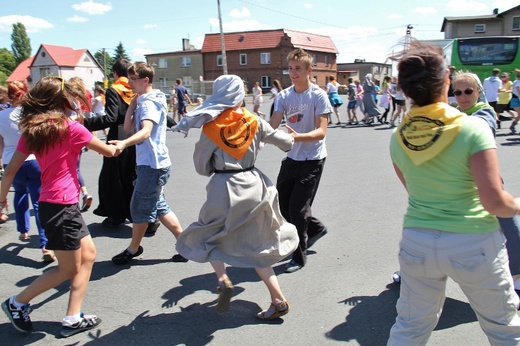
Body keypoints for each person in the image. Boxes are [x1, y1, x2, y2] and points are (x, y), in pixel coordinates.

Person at [387, 42, 520, 345]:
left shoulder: (399, 135)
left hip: (417, 240)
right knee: (505, 329)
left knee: (409, 328)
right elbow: (494, 201)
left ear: (406, 91)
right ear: (446, 81)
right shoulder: (472, 128)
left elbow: (413, 189)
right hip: (473, 240)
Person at [172, 74, 298, 319]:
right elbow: (285, 142)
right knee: (257, 245)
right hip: (254, 185)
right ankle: (278, 299)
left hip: (223, 186)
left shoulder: (211, 127)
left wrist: (214, 169)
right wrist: (290, 137)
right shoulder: (254, 120)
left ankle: (222, 278)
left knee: (208, 234)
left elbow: (201, 166)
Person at [1, 76, 117, 337]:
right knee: (67, 268)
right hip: (61, 207)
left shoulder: (34, 131)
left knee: (88, 256)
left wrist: (1, 201)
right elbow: (108, 152)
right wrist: (119, 144)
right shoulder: (72, 128)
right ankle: (17, 302)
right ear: (62, 101)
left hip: (55, 205)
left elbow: (9, 172)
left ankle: (73, 317)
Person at [110, 62, 184, 265]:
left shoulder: (149, 103)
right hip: (152, 164)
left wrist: (124, 143)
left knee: (139, 209)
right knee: (160, 207)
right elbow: (127, 125)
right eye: (129, 78)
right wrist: (134, 102)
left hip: (152, 165)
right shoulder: (144, 100)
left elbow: (145, 131)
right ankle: (186, 245)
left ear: (145, 80)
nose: (129, 82)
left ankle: (133, 248)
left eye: (133, 79)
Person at [452, 70, 520, 290]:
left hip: (483, 181)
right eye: (458, 92)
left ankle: (518, 276)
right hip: (458, 184)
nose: (463, 96)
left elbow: (481, 128)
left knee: (506, 222)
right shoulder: (454, 112)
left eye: (468, 91)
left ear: (479, 92)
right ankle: (418, 272)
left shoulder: (483, 112)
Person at [269, 48, 331, 274]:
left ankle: (299, 255)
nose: (293, 73)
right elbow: (273, 124)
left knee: (297, 209)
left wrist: (296, 137)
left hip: (313, 158)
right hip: (292, 156)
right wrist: (253, 133)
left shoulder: (318, 96)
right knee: (282, 204)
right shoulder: (284, 96)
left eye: (298, 69)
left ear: (308, 70)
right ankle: (316, 229)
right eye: (290, 68)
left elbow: (321, 131)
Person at [83, 59, 158, 234]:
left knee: (113, 180)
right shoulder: (136, 90)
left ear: (116, 74)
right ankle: (146, 216)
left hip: (118, 138)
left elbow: (110, 118)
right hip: (136, 138)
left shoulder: (114, 90)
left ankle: (117, 215)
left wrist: (84, 123)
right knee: (134, 178)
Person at [0, 81, 53, 261]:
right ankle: (45, 244)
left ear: (9, 95)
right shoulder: (32, 114)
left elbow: (1, 144)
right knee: (38, 202)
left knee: (20, 194)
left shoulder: (1, 116)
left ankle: (23, 230)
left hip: (10, 160)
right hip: (33, 160)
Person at [68, 77, 94, 213]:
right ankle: (84, 193)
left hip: (69, 139)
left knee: (71, 171)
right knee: (76, 169)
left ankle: (79, 196)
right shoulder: (78, 102)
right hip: (79, 137)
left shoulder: (69, 102)